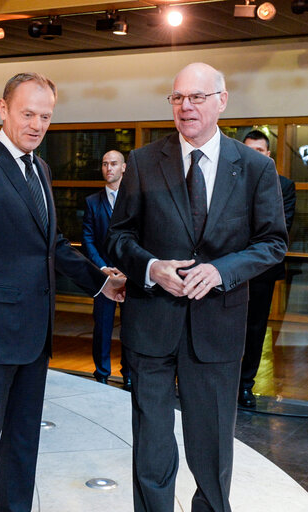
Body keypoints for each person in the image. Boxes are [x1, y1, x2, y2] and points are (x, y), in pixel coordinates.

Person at [0, 72, 125, 512]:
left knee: (23, 443)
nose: (37, 124)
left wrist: (101, 280)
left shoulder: (40, 167)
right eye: (27, 114)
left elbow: (53, 244)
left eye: (45, 116)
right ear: (3, 110)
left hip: (36, 331)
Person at [107, 63, 288, 512]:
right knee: (151, 448)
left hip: (217, 328)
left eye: (197, 97)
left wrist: (221, 271)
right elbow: (119, 236)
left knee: (210, 449)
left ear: (221, 101)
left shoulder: (254, 168)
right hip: (151, 324)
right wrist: (151, 267)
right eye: (177, 98)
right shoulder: (145, 161)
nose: (186, 106)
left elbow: (273, 242)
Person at [238, 130, 296, 407]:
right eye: (248, 150)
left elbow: (278, 229)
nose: (253, 156)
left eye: (259, 151)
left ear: (268, 155)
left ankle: (245, 384)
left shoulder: (283, 186)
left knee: (255, 328)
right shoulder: (229, 182)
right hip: (226, 269)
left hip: (260, 271)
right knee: (222, 328)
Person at [82, 150, 131, 390]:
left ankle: (129, 373)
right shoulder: (92, 202)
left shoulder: (134, 199)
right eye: (104, 164)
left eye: (113, 164)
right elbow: (88, 239)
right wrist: (102, 267)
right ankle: (101, 373)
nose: (108, 168)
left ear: (124, 168)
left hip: (130, 275)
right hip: (104, 277)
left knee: (131, 328)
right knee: (102, 326)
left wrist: (130, 268)